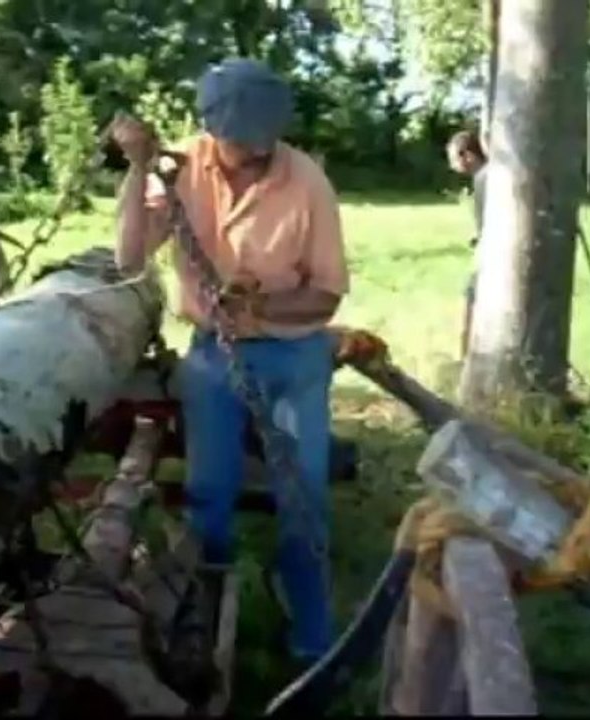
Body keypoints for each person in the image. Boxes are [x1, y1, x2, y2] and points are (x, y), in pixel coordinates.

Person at [111, 57, 349, 667]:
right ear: (212, 128)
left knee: (304, 495)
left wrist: (263, 306)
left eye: (266, 139)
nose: (257, 152)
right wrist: (139, 168)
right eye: (243, 141)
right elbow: (131, 256)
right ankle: (205, 606)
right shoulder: (182, 168)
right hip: (212, 359)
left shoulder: (308, 182)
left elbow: (325, 293)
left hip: (295, 357)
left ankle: (309, 622)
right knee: (207, 492)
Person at [446, 129, 488, 357]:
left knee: (470, 302)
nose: (452, 164)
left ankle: (466, 358)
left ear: (468, 156)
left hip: (488, 257)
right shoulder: (487, 177)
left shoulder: (484, 179)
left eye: (453, 157)